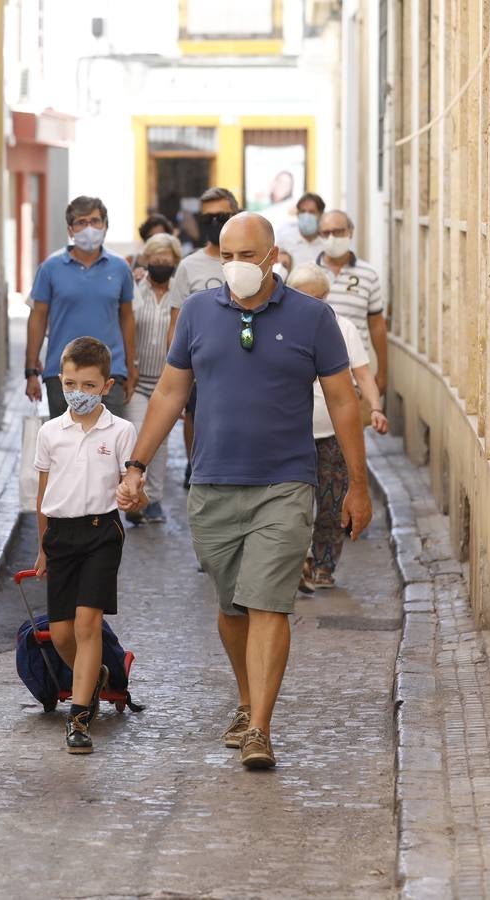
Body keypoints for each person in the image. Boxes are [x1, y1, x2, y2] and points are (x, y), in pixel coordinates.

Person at [117, 213, 372, 769]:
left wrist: (357, 484)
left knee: (268, 602)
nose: (235, 267)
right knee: (232, 607)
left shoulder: (313, 317)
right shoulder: (201, 313)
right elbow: (169, 393)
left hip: (285, 483)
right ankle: (245, 698)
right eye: (226, 255)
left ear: (273, 256)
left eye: (247, 256)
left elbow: (345, 400)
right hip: (212, 484)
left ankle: (260, 728)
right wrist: (137, 464)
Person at [33, 337, 138, 754]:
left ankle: (78, 718)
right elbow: (42, 494)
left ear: (106, 386)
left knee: (86, 623)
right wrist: (43, 547)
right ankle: (92, 678)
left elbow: (133, 486)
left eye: (89, 386)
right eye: (72, 383)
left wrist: (134, 495)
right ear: (61, 380)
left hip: (101, 533)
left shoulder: (121, 431)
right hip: (60, 535)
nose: (79, 393)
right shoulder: (49, 433)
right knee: (60, 634)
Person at [286, 264, 390, 592]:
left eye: (316, 298)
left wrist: (375, 407)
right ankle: (297, 562)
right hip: (290, 432)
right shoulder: (278, 326)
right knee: (291, 503)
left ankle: (323, 566)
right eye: (302, 297)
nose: (309, 304)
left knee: (332, 502)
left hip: (333, 434)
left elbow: (362, 374)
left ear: (326, 297)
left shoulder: (342, 328)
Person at [25, 196, 138, 419]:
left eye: (95, 221)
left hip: (110, 372)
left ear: (105, 226)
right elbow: (37, 318)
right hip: (63, 375)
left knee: (108, 445)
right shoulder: (50, 268)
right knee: (66, 445)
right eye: (81, 222)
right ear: (70, 229)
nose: (89, 228)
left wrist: (131, 367)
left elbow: (127, 317)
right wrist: (31, 371)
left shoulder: (120, 268)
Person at [167, 186, 240, 488]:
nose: (214, 223)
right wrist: (176, 372)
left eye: (222, 216)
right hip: (201, 364)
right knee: (195, 418)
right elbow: (176, 323)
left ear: (235, 215)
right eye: (207, 217)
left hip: (244, 361)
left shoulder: (251, 259)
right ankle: (195, 468)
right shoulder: (189, 266)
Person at [126, 231, 185, 524]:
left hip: (168, 381)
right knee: (139, 434)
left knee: (160, 440)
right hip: (139, 379)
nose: (160, 262)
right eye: (155, 258)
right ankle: (137, 493)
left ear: (175, 261)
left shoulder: (181, 293)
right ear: (146, 260)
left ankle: (154, 501)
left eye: (166, 258)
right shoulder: (135, 288)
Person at [317, 209, 388, 395]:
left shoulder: (368, 274)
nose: (332, 238)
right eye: (326, 233)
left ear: (351, 232)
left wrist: (382, 372)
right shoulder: (308, 273)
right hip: (316, 379)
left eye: (338, 231)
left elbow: (377, 325)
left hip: (356, 377)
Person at [276, 192, 327, 269]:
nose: (306, 216)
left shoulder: (327, 242)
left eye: (311, 212)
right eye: (303, 211)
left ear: (321, 214)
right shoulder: (285, 240)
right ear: (297, 214)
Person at [129, 213, 175, 278]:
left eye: (160, 237)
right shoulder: (130, 261)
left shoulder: (173, 264)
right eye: (151, 237)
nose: (155, 242)